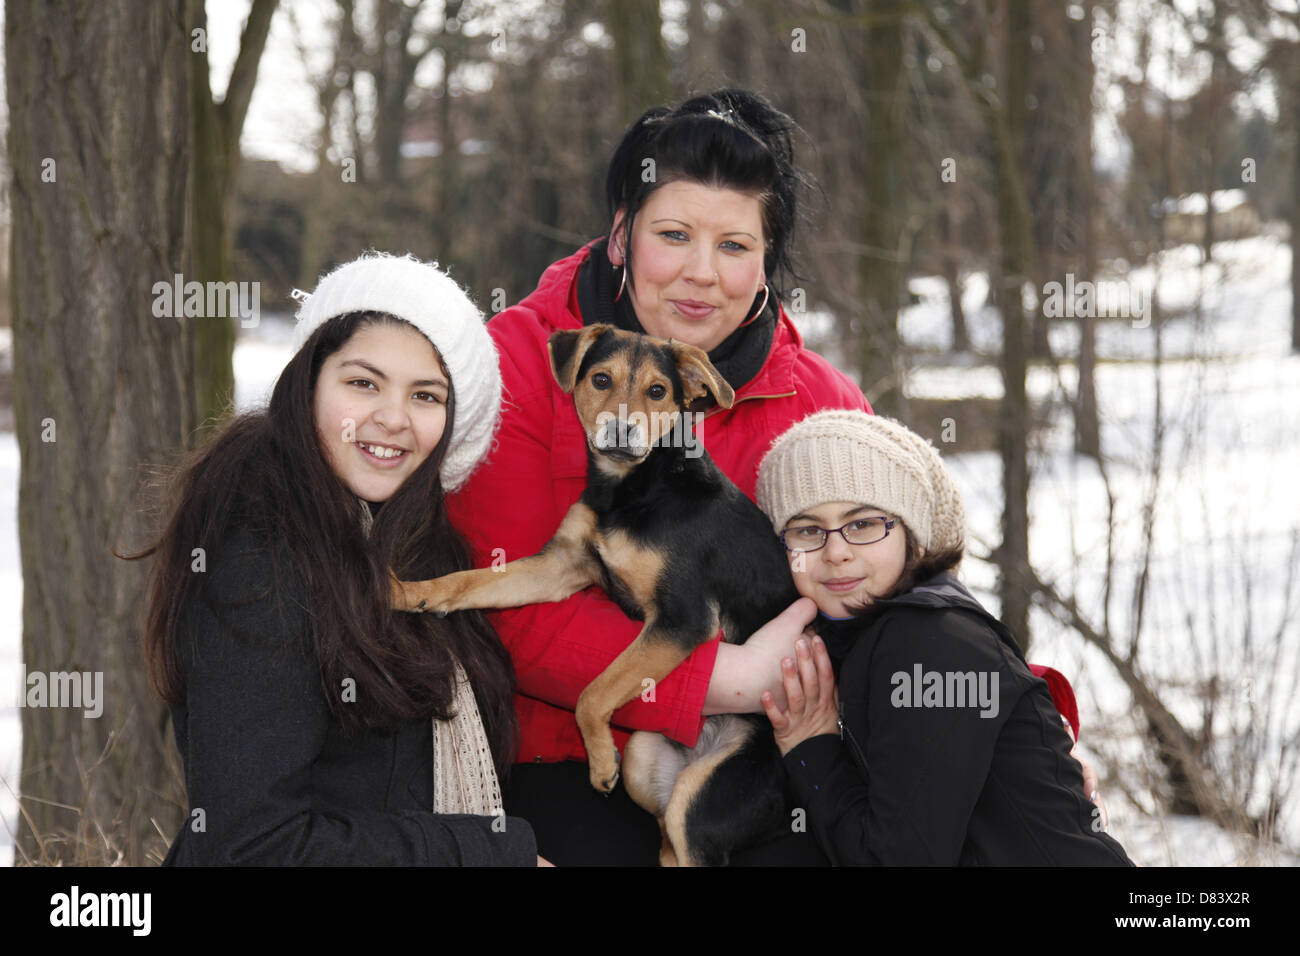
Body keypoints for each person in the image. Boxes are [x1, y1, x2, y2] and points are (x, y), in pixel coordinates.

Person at [444, 89, 870, 865]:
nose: (701, 275)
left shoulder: (821, 401)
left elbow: (895, 588)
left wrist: (1025, 728)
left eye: (736, 246)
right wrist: (719, 679)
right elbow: (506, 606)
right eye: (673, 235)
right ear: (621, 235)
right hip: (563, 755)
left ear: (767, 260)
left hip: (770, 757)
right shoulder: (516, 360)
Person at [139, 253, 542, 865]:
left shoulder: (417, 552)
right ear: (308, 383)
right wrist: (487, 857)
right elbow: (251, 846)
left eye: (425, 395)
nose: (391, 418)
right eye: (362, 382)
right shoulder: (261, 554)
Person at [755, 409, 1133, 865]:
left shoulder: (927, 642)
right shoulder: (868, 638)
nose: (836, 552)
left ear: (912, 535)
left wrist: (810, 747)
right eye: (807, 530)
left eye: (863, 524)